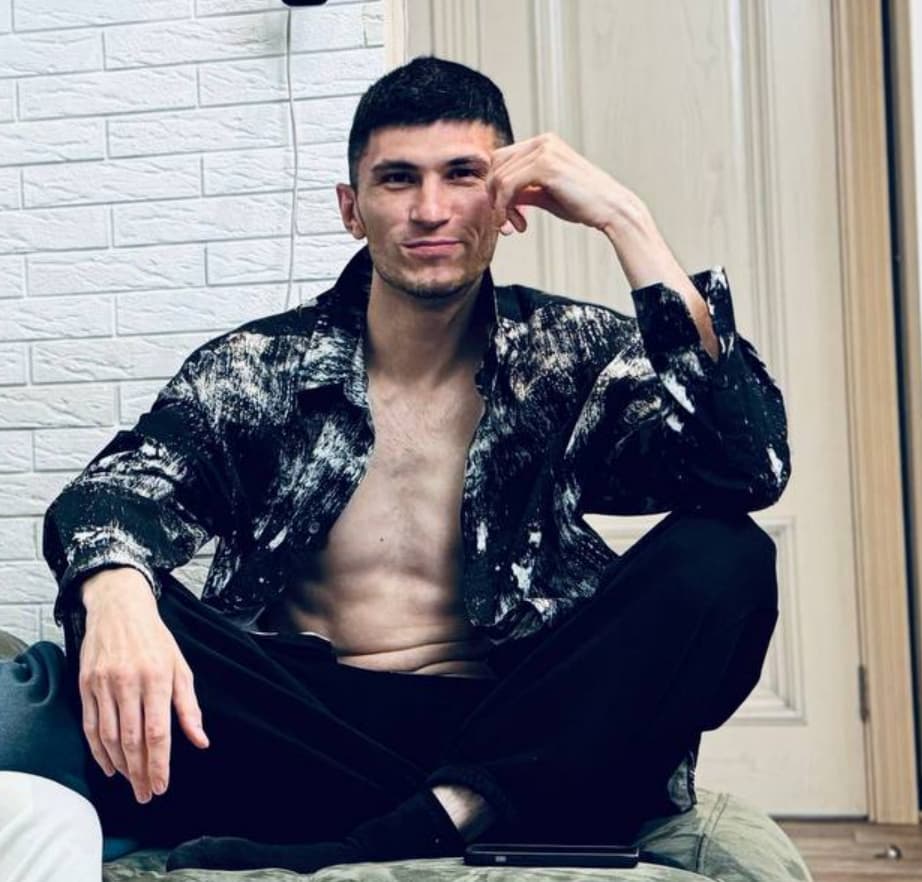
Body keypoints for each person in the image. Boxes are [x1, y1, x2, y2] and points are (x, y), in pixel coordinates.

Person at [0, 55, 790, 877]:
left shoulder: (567, 355)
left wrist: (626, 220)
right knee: (113, 597)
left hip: (510, 724)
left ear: (512, 202)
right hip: (307, 730)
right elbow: (115, 492)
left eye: (463, 175)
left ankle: (425, 822)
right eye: (398, 179)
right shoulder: (259, 368)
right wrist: (115, 593)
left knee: (727, 552)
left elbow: (748, 466)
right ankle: (457, 813)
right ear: (353, 209)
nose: (430, 209)